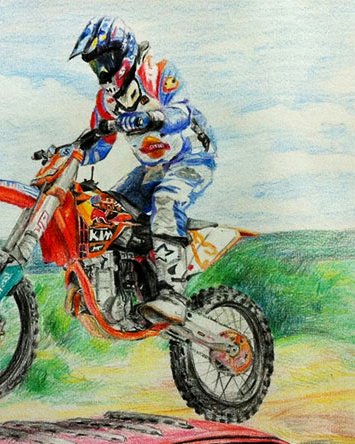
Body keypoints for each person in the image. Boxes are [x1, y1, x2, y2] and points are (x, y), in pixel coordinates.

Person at [70, 17, 216, 324]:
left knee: (166, 200)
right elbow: (99, 143)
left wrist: (150, 118)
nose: (102, 71)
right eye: (95, 65)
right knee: (105, 210)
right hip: (153, 166)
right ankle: (128, 287)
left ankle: (173, 295)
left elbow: (182, 111)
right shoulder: (107, 100)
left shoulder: (159, 71)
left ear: (124, 51)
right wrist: (71, 154)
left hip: (192, 157)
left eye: (106, 61)